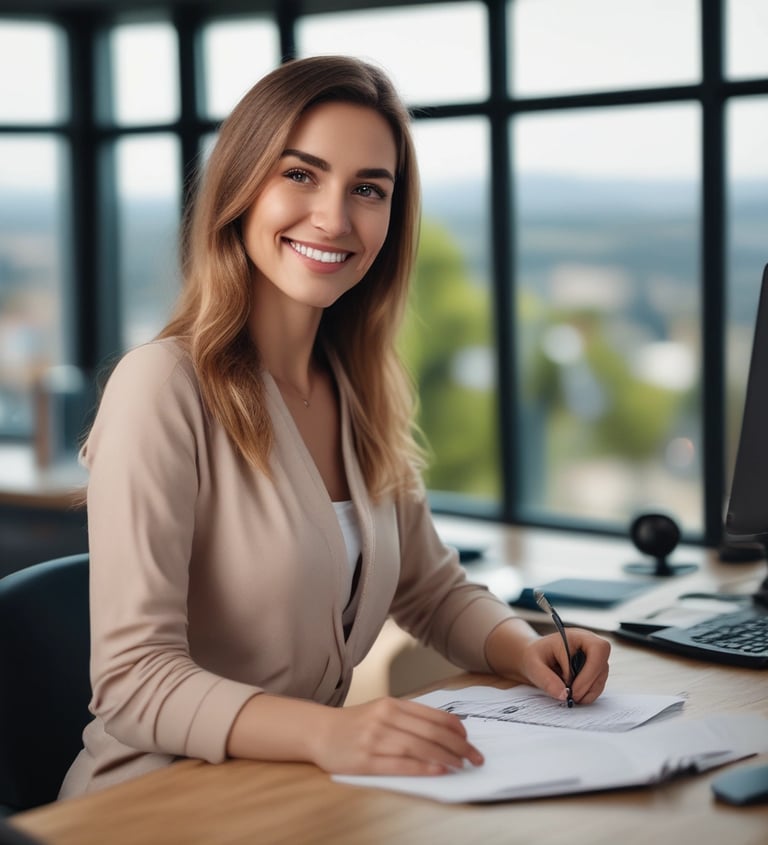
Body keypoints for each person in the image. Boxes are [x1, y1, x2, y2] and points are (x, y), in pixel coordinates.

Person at [59, 55, 610, 798]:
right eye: (300, 175)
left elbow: (429, 586)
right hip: (152, 805)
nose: (335, 217)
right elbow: (132, 680)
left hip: (297, 796)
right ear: (242, 185)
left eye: (369, 190)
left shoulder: (361, 391)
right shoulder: (162, 386)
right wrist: (332, 730)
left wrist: (524, 646)